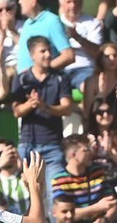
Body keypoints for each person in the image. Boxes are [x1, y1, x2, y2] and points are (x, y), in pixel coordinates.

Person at [10, 35, 73, 186]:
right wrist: (31, 104)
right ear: (32, 55)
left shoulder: (60, 78)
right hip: (27, 144)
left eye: (49, 50)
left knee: (55, 190)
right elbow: (16, 111)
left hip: (53, 145)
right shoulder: (21, 79)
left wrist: (45, 107)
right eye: (43, 51)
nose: (48, 54)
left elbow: (67, 108)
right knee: (26, 192)